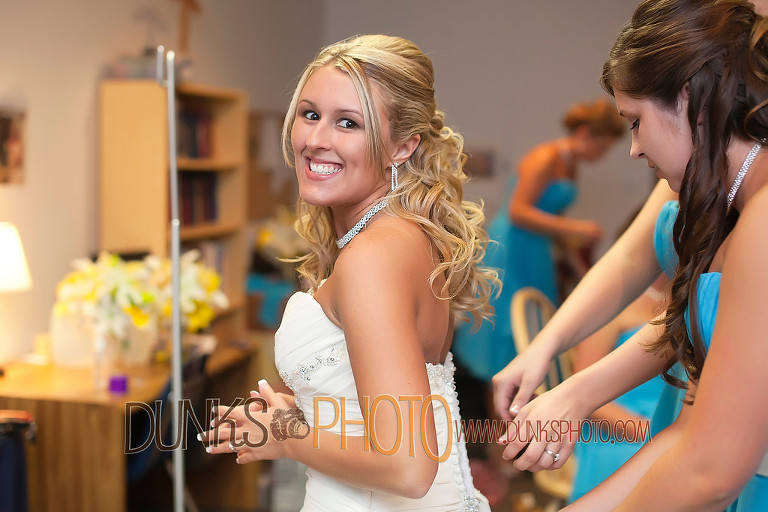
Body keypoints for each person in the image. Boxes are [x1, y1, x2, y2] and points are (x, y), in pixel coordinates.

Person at [201, 34, 498, 511]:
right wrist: (300, 411)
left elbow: (408, 466)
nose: (316, 140)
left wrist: (286, 436)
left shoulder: (373, 257)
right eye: (310, 114)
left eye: (348, 123)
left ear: (402, 147)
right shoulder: (402, 237)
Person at [496, 1, 768, 510]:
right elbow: (687, 430)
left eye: (635, 121)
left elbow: (710, 471)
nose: (634, 148)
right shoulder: (731, 202)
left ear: (690, 98)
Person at [452, 99, 624, 384]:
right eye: (602, 146)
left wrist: (580, 267)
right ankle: (501, 402)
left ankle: (523, 399)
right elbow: (518, 211)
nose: (603, 155)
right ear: (584, 133)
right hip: (513, 246)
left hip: (538, 249)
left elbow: (553, 221)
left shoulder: (571, 165)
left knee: (534, 326)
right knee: (508, 328)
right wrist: (577, 228)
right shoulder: (544, 157)